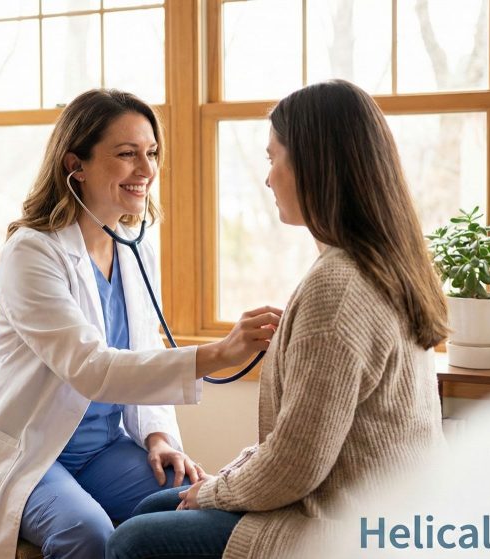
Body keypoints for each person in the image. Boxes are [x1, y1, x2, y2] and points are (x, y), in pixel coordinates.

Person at [0, 89, 282, 559]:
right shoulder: (32, 252)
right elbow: (92, 367)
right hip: (31, 450)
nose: (146, 170)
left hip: (104, 449)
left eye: (151, 153)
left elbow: (140, 352)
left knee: (191, 503)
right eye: (126, 154)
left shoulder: (134, 247)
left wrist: (158, 435)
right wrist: (219, 352)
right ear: (75, 166)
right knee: (86, 534)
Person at [106, 79, 450, 559]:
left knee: (132, 541)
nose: (268, 178)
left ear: (313, 163)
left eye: (273, 158)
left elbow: (295, 466)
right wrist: (225, 480)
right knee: (152, 507)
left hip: (341, 526)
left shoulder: (339, 285)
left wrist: (212, 490)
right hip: (371, 509)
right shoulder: (378, 261)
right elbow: (299, 443)